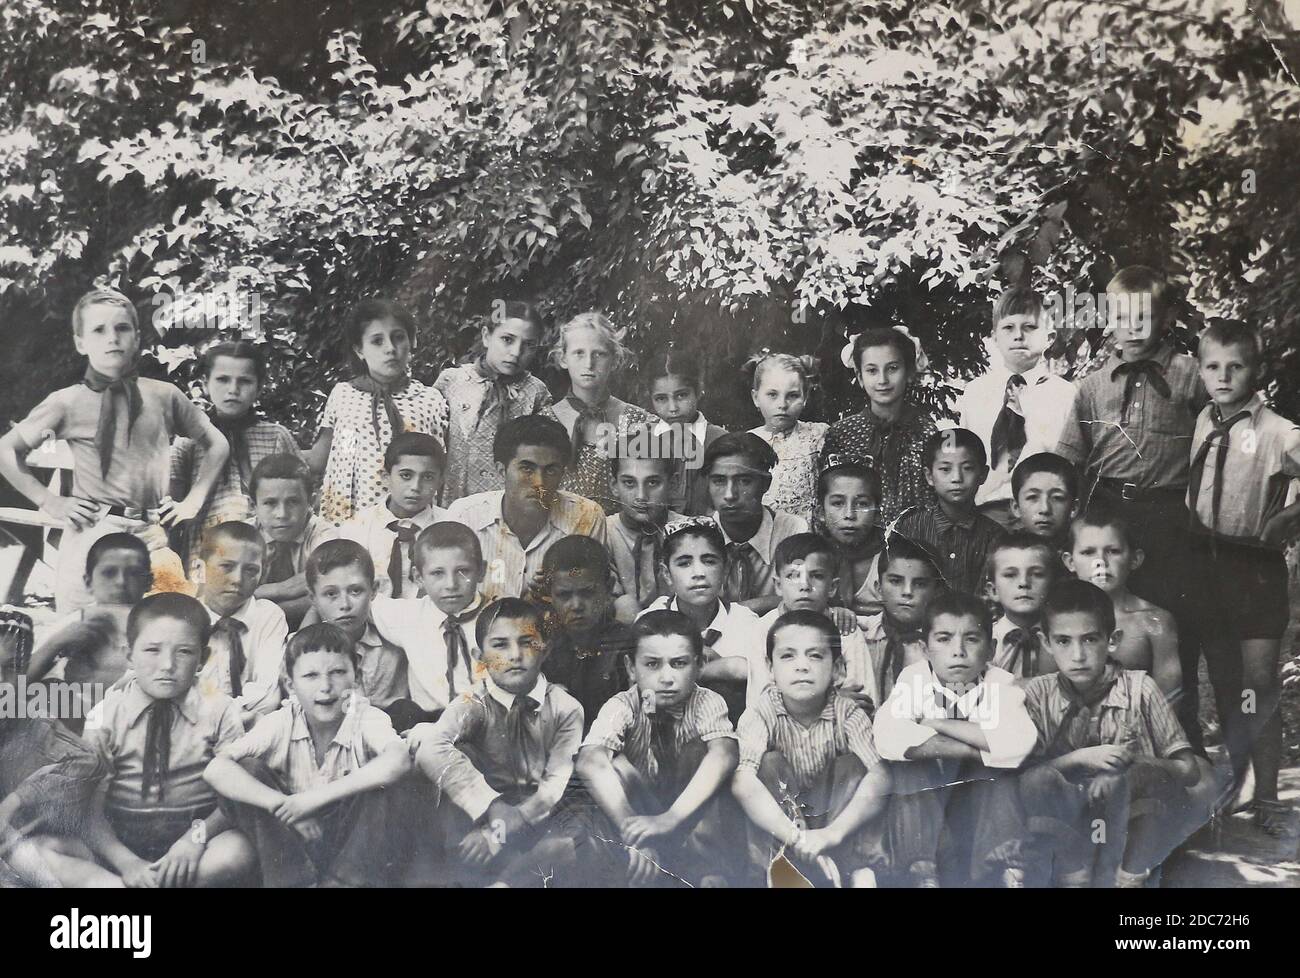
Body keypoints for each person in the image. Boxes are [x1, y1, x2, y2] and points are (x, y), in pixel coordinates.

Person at [1055, 265, 1208, 749]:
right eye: (1122, 315)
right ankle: (1100, 733)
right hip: (1107, 514)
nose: (1133, 326)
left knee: (1171, 626)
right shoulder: (1092, 386)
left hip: (1168, 519)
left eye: (1144, 316)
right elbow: (1067, 463)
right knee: (1103, 622)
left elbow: (1222, 433)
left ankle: (1180, 742)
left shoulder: (1190, 375)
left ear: (1165, 319)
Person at [0, 288, 228, 612]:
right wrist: (50, 501)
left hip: (151, 533)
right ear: (80, 343)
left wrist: (193, 500)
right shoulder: (68, 402)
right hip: (93, 531)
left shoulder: (164, 396)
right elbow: (6, 450)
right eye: (98, 330)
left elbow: (217, 443)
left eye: (122, 329)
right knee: (83, 634)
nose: (112, 338)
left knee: (157, 630)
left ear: (136, 338)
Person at [29, 593, 256, 887]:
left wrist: (194, 839)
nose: (167, 665)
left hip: (191, 843)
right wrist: (127, 863)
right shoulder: (104, 715)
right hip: (119, 844)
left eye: (184, 652)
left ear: (203, 659)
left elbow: (234, 796)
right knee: (41, 849)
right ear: (129, 656)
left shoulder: (219, 710)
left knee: (237, 851)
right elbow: (89, 805)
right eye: (152, 650)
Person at [1187, 319, 1300, 834]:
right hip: (1208, 566)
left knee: (1260, 685)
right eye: (1213, 366)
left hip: (1254, 569)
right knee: (1230, 685)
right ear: (1201, 370)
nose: (1224, 376)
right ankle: (1241, 786)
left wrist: (1290, 518)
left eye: (1236, 366)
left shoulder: (1278, 431)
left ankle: (1272, 800)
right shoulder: (1201, 421)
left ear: (1257, 370)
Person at [1019, 579, 1206, 887]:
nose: (1078, 655)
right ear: (1046, 642)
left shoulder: (1140, 688)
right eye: (1064, 641)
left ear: (1112, 639)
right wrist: (1081, 758)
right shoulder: (1039, 692)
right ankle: (1073, 876)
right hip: (1069, 825)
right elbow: (1026, 773)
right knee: (1036, 780)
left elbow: (1189, 771)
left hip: (1133, 825)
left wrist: (1133, 763)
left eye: (1090, 640)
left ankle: (1130, 877)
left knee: (1141, 776)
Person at [203, 623, 412, 887]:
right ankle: (294, 882)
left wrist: (309, 801)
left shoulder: (366, 716)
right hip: (289, 840)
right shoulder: (281, 721)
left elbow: (399, 759)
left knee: (387, 784)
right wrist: (284, 807)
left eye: (337, 672)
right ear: (290, 685)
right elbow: (216, 768)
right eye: (311, 676)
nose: (325, 686)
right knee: (246, 768)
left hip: (354, 842)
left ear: (356, 678)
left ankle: (342, 883)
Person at [409, 598, 585, 887]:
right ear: (480, 656)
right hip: (484, 815)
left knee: (567, 843)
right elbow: (432, 747)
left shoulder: (566, 709)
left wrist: (496, 834)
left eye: (527, 642)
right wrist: (492, 807)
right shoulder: (473, 702)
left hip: (540, 816)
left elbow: (552, 791)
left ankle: (503, 882)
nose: (515, 655)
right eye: (500, 645)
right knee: (454, 755)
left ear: (546, 649)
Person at [874, 591, 1037, 887]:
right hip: (929, 800)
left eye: (971, 639)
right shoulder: (914, 678)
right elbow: (887, 736)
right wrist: (974, 745)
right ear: (925, 649)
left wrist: (936, 722)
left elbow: (1017, 744)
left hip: (976, 804)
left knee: (999, 773)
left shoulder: (1000, 683)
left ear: (991, 649)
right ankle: (922, 873)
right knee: (907, 766)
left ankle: (1006, 870)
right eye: (944, 639)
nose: (958, 651)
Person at [577, 609, 741, 887]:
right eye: (652, 664)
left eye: (679, 664)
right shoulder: (623, 705)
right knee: (612, 764)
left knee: (700, 752)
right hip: (639, 814)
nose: (666, 677)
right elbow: (589, 761)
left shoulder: (706, 702)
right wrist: (636, 832)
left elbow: (725, 754)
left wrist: (671, 818)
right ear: (631, 668)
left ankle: (709, 871)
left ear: (699, 665)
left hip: (691, 819)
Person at [731, 610, 891, 888]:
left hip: (836, 830)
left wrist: (831, 835)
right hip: (784, 832)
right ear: (770, 668)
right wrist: (797, 838)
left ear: (838, 669)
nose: (801, 666)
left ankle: (857, 871)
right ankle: (780, 871)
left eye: (815, 655)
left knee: (855, 766)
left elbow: (882, 776)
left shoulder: (848, 712)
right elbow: (742, 782)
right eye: (788, 656)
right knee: (767, 765)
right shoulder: (760, 713)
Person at [308, 299, 449, 525]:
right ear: (359, 350)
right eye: (377, 341)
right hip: (352, 512)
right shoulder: (344, 395)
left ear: (412, 341)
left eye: (398, 337)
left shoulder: (429, 400)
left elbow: (440, 464)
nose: (390, 349)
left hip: (411, 514)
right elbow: (326, 457)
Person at [446, 415, 610, 604]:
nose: (539, 483)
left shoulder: (586, 516)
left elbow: (592, 598)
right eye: (527, 469)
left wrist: (553, 594)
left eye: (550, 470)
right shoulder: (464, 516)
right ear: (501, 470)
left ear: (562, 474)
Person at [169, 340, 302, 568]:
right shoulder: (190, 440)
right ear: (205, 384)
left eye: (245, 381)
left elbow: (298, 501)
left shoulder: (276, 436)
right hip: (204, 555)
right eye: (222, 380)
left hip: (265, 554)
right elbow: (171, 508)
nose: (233, 389)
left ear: (259, 387)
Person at [0, 610, 108, 887]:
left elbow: (88, 762)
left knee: (58, 854)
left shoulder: (28, 721)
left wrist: (16, 800)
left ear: (24, 672)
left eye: (11, 668)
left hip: (19, 846)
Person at [954, 288, 1075, 529]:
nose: (1018, 336)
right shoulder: (976, 392)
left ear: (1050, 337)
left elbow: (1072, 463)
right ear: (994, 337)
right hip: (985, 510)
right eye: (1008, 328)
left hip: (1044, 512)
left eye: (1030, 327)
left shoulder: (1067, 395)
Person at [363, 522, 489, 730]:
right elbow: (358, 601)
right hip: (430, 724)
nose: (451, 584)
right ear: (418, 577)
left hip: (484, 724)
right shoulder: (409, 616)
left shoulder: (499, 618)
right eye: (437, 573)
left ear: (481, 571)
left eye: (462, 571)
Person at [639, 517, 768, 716]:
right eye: (684, 563)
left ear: (725, 569)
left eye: (709, 561)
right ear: (666, 574)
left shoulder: (746, 624)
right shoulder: (650, 622)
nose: (698, 573)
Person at [434, 299, 554, 506]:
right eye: (507, 340)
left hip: (505, 506)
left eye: (529, 345)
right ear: (487, 336)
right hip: (454, 501)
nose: (516, 352)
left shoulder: (536, 392)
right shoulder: (451, 381)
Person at [822, 324, 936, 526]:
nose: (882, 380)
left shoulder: (926, 431)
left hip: (912, 544)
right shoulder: (841, 434)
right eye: (872, 371)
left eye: (892, 368)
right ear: (859, 377)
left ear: (909, 372)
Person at [1063, 512, 1180, 701]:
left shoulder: (1154, 621)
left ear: (1135, 559)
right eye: (1088, 552)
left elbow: (1169, 700)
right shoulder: (1058, 619)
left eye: (1113, 551)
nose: (1100, 562)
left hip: (1140, 727)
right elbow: (1047, 695)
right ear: (1070, 561)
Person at [550, 311, 654, 513]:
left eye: (599, 354)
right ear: (563, 359)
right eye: (579, 353)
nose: (589, 363)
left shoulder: (636, 421)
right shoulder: (546, 420)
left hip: (617, 534)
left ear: (614, 360)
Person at [757, 533, 871, 710]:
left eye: (816, 576)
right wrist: (832, 700)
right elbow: (759, 701)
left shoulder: (845, 629)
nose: (805, 586)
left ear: (832, 587)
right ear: (778, 585)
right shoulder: (763, 629)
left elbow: (863, 698)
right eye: (793, 576)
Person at [27, 533, 152, 692]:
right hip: (77, 710)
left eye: (134, 573)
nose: (121, 582)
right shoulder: (75, 623)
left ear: (148, 582)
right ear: (88, 582)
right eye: (109, 573)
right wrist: (58, 642)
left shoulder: (157, 625)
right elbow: (22, 681)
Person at [193, 521, 289, 724]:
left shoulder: (268, 617)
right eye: (226, 567)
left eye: (251, 570)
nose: (237, 579)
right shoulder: (184, 617)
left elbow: (268, 697)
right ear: (200, 569)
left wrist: (213, 716)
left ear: (262, 574)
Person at [705, 431, 809, 615]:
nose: (730, 495)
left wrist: (741, 610)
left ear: (765, 484)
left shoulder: (793, 531)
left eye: (744, 481)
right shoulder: (699, 536)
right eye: (719, 481)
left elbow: (803, 598)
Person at [891, 428, 1005, 596]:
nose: (956, 478)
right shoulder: (910, 528)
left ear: (983, 474)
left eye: (967, 468)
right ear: (929, 476)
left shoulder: (995, 536)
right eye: (945, 469)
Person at [539, 535, 633, 731]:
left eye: (587, 593)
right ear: (549, 594)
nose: (576, 606)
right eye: (564, 595)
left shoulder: (628, 645)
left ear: (608, 589)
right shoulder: (541, 648)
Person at [337, 431, 447, 598]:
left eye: (428, 477)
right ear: (386, 477)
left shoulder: (451, 525)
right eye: (406, 475)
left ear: (440, 482)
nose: (416, 486)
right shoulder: (355, 529)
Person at [304, 540, 409, 712]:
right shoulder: (301, 651)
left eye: (355, 591)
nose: (345, 604)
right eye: (331, 594)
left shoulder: (397, 642)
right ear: (313, 598)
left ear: (374, 589)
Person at [250, 453, 336, 629]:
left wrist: (259, 593)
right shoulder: (243, 534)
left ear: (311, 502)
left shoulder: (323, 533)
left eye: (293, 502)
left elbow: (328, 587)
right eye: (270, 503)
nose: (281, 514)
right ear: (254, 506)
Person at [858, 536, 943, 709]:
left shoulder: (944, 646)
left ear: (936, 592)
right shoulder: (860, 634)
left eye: (919, 584)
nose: (907, 592)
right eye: (896, 581)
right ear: (878, 589)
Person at [645, 347, 728, 517]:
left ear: (698, 390)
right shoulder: (644, 441)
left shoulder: (720, 440)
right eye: (661, 399)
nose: (673, 408)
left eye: (681, 395)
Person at [605, 434, 683, 613]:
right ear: (614, 485)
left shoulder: (689, 531)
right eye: (629, 483)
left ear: (673, 484)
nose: (641, 496)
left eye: (653, 482)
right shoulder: (603, 533)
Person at [747, 352, 828, 522]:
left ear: (805, 397)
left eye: (792, 395)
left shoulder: (818, 435)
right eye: (772, 394)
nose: (782, 404)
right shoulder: (748, 442)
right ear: (756, 398)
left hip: (809, 534)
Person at [812, 454, 886, 618]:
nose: (849, 515)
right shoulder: (812, 555)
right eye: (838, 503)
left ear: (877, 514)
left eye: (862, 504)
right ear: (820, 513)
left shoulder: (892, 556)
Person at [985, 533, 1058, 680]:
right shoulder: (984, 640)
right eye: (1011, 575)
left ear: (1053, 587)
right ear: (993, 591)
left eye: (1037, 574)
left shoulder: (1064, 639)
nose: (1024, 583)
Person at [1008, 451, 1079, 555]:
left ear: (1074, 508)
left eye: (1057, 498)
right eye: (1032, 497)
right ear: (1016, 507)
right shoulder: (1005, 552)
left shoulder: (1083, 551)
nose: (1045, 509)